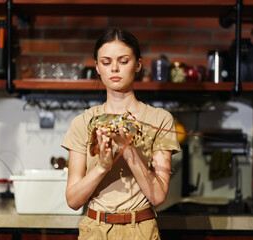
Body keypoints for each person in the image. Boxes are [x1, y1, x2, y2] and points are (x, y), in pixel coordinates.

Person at [61, 27, 180, 240]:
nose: (114, 68)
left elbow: (158, 196)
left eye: (123, 61)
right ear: (97, 67)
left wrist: (129, 150)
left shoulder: (160, 119)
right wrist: (102, 167)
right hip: (95, 230)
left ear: (138, 65)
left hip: (141, 229)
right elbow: (73, 200)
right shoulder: (82, 122)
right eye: (106, 62)